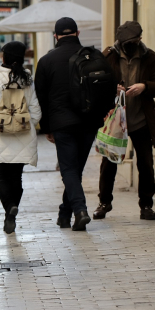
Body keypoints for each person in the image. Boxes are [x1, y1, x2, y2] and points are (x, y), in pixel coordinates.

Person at [35, 17, 103, 231]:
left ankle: (80, 210)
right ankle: (65, 214)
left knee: (69, 170)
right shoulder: (93, 56)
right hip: (89, 122)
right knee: (75, 170)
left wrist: (46, 128)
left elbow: (41, 97)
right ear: (78, 33)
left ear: (55, 36)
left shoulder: (47, 61)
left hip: (62, 123)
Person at [94, 21, 155, 221]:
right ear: (120, 42)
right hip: (116, 120)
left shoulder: (149, 57)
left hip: (140, 119)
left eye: (133, 42)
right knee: (109, 162)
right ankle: (104, 203)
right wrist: (112, 89)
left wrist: (144, 86)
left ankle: (146, 206)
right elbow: (97, 83)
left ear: (139, 40)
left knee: (145, 164)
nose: (129, 45)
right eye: (126, 42)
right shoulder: (108, 55)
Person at [0, 41, 41, 234]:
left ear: (3, 57)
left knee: (1, 179)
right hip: (23, 135)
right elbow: (36, 111)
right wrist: (24, 124)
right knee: (16, 178)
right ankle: (10, 213)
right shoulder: (27, 79)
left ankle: (9, 207)